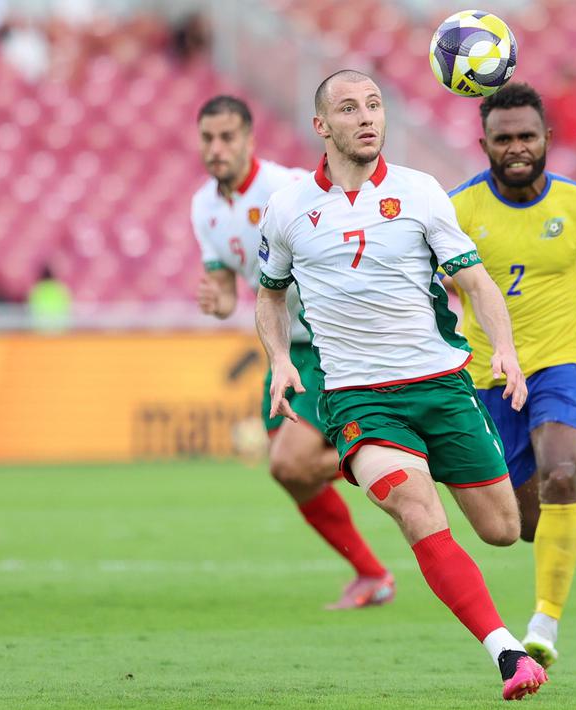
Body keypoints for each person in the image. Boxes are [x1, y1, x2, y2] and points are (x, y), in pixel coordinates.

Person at [256, 69, 549, 701]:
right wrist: (280, 359)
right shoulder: (287, 208)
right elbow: (269, 294)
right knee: (416, 510)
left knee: (503, 530)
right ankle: (507, 654)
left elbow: (475, 282)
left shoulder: (420, 193)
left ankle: (422, 460)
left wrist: (504, 349)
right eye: (349, 108)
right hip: (358, 398)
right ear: (321, 125)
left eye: (374, 105)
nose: (366, 117)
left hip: (442, 388)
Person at [448, 83, 576, 670]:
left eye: (526, 136)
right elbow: (432, 294)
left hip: (563, 361)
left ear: (548, 140)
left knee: (555, 473)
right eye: (503, 138)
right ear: (484, 142)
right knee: (519, 526)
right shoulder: (458, 211)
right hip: (490, 374)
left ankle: (543, 625)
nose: (516, 147)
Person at [190, 95, 394, 610]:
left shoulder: (285, 189)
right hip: (286, 347)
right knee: (289, 472)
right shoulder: (204, 207)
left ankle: (401, 444)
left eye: (227, 137)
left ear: (249, 140)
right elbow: (226, 287)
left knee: (291, 461)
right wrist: (217, 299)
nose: (217, 149)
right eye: (208, 138)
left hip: (331, 341)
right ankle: (371, 574)